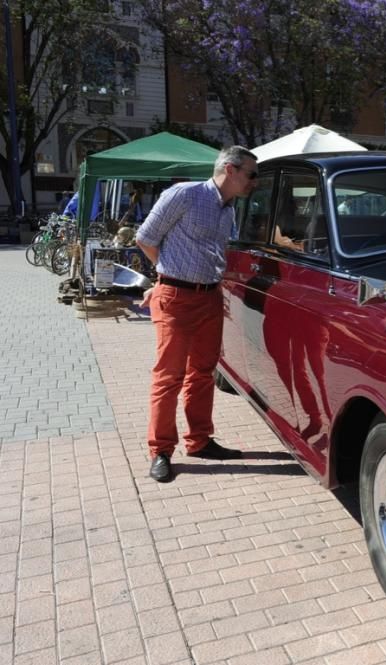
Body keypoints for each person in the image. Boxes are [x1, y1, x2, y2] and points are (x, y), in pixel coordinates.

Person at [135, 146, 259, 482]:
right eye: (251, 174)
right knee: (169, 376)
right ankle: (160, 450)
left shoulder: (228, 208)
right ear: (231, 169)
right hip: (176, 297)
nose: (254, 182)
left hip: (210, 298)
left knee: (203, 373)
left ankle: (200, 441)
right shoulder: (185, 194)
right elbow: (145, 238)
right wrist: (165, 274)